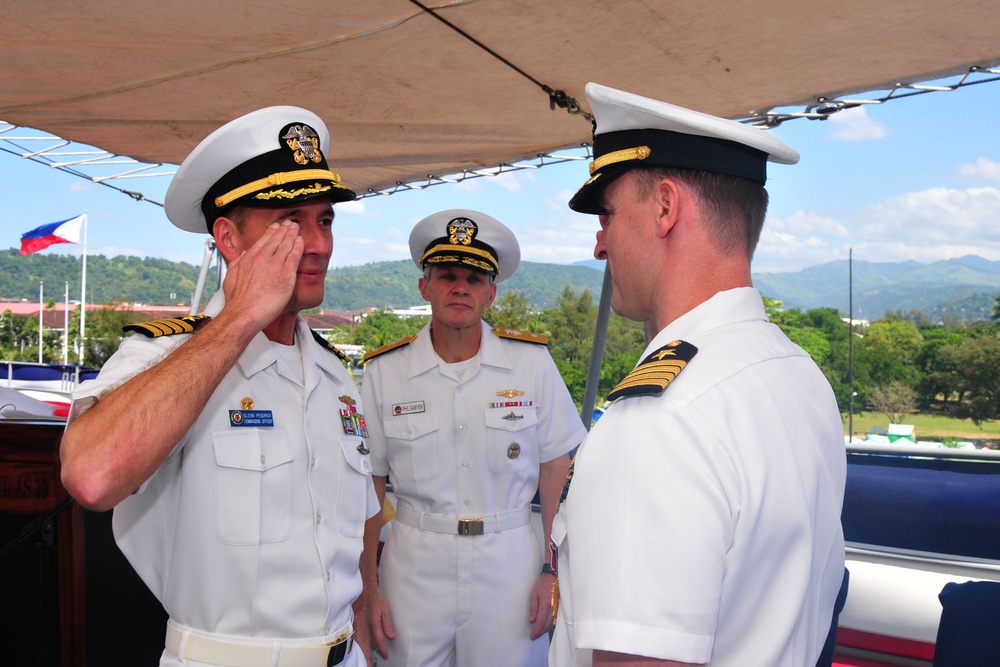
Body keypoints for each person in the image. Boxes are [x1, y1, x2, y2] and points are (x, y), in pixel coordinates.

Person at [59, 106, 380, 667]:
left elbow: (353, 527)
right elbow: (91, 477)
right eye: (290, 222)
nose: (319, 245)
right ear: (229, 238)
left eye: (324, 221)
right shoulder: (164, 357)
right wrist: (237, 320)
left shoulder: (334, 376)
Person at [548, 83, 847, 667]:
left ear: (665, 207)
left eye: (607, 214)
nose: (598, 244)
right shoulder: (801, 376)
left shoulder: (661, 419)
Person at [354, 209, 588, 667]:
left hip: (511, 566)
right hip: (413, 568)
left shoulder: (531, 364)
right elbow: (369, 484)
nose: (460, 287)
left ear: (491, 294)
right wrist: (369, 589)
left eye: (474, 279)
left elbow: (556, 469)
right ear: (425, 286)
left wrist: (552, 569)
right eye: (446, 276)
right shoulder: (385, 372)